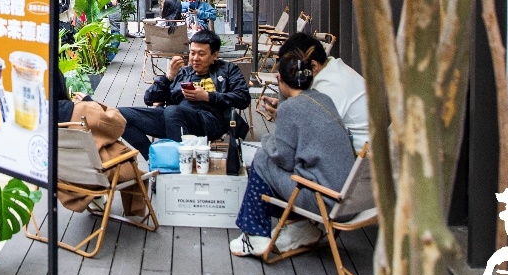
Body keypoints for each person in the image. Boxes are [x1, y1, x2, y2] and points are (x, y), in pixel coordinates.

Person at [230, 40, 357, 258]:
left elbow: (283, 158)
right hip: (350, 200)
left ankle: (254, 235)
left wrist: (266, 140)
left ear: (279, 78)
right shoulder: (324, 99)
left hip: (325, 202)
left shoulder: (290, 108)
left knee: (262, 159)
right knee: (272, 161)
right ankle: (301, 227)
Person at [119, 30, 249, 158]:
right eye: (192, 53)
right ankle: (154, 158)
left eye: (201, 54)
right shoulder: (183, 73)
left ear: (214, 55)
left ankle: (178, 164)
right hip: (174, 119)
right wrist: (169, 77)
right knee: (120, 115)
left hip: (209, 121)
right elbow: (149, 98)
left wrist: (207, 96)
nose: (195, 58)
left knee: (172, 111)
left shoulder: (228, 70)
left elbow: (243, 98)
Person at [256, 32, 369, 152]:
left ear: (314, 66)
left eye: (295, 69)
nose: (291, 76)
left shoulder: (329, 86)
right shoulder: (332, 68)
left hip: (361, 155)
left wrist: (284, 115)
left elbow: (310, 135)